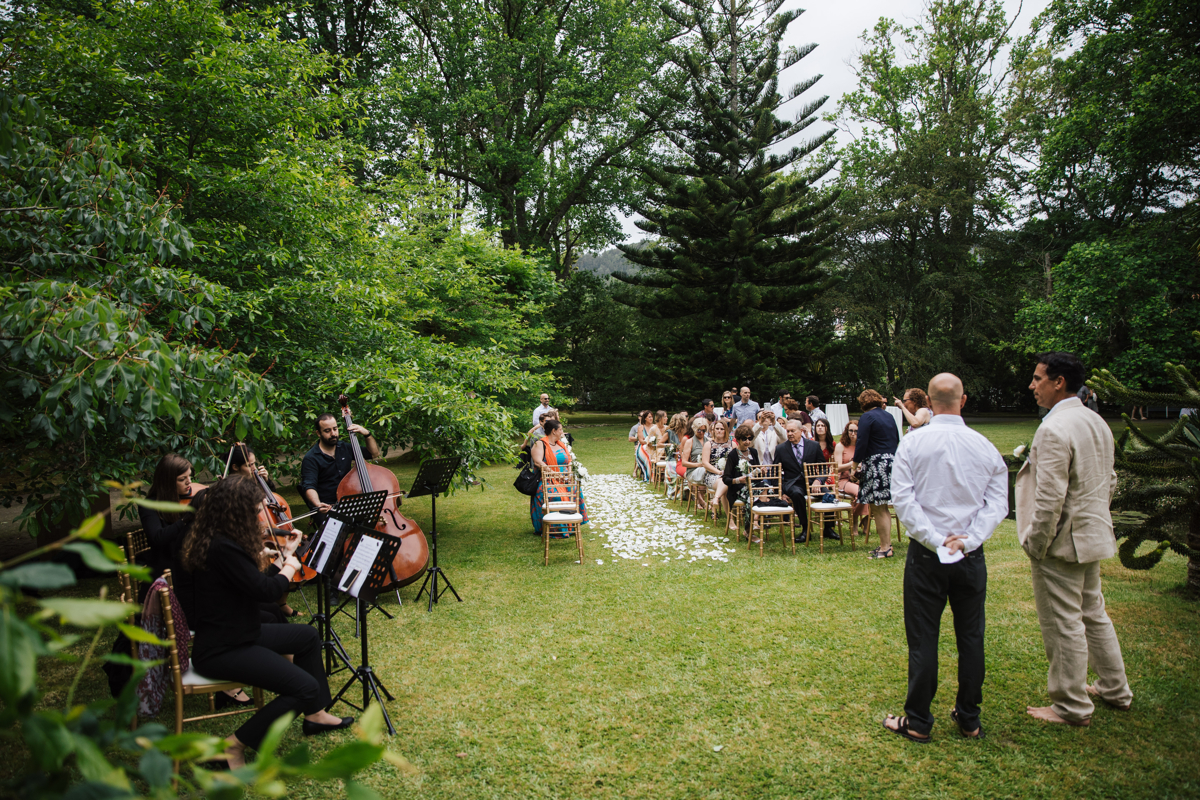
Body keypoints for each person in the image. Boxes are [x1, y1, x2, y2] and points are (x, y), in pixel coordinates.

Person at [181, 476, 353, 769]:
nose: (258, 517)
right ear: (237, 512)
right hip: (223, 648)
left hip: (238, 633)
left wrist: (283, 557)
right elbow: (268, 592)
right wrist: (290, 567)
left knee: (307, 637)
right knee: (304, 687)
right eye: (254, 510)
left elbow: (253, 586)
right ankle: (232, 746)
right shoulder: (223, 548)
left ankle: (315, 715)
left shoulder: (219, 540)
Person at [883, 373, 1008, 743]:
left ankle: (918, 721)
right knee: (971, 636)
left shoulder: (913, 443)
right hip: (969, 554)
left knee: (924, 637)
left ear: (928, 402)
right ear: (963, 401)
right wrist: (968, 540)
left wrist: (938, 541)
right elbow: (997, 503)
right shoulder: (984, 446)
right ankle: (969, 718)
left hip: (927, 555)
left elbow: (903, 500)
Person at [1019, 352, 1132, 726]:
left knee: (1063, 621)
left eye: (1038, 379)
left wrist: (1037, 543)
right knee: (1093, 614)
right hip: (1092, 532)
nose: (1032, 386)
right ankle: (1114, 688)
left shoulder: (1053, 428)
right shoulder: (1096, 422)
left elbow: (1050, 497)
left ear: (1059, 382)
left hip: (1061, 543)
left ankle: (1070, 705)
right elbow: (1109, 480)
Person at [298, 412, 380, 526]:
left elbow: (374, 453)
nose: (333, 434)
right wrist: (317, 504)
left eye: (335, 429)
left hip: (349, 503)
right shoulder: (311, 458)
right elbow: (309, 486)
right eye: (327, 431)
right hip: (328, 506)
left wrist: (367, 434)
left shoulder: (344, 447)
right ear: (318, 433)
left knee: (372, 522)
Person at [139, 453, 207, 582]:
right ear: (167, 482)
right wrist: (185, 519)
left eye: (190, 476)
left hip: (190, 562)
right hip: (167, 569)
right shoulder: (149, 506)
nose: (189, 482)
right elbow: (158, 538)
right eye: (182, 479)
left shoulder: (186, 498)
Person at [853, 389, 901, 559]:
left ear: (863, 402)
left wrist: (854, 466)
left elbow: (861, 442)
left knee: (878, 507)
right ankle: (885, 545)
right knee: (882, 507)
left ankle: (886, 548)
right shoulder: (889, 416)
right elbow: (896, 439)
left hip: (876, 463)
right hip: (891, 462)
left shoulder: (867, 417)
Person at [530, 419, 588, 537]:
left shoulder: (561, 444)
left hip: (565, 479)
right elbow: (538, 462)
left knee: (575, 490)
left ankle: (572, 525)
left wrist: (569, 473)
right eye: (560, 429)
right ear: (554, 431)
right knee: (555, 495)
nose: (562, 432)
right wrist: (554, 474)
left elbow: (569, 460)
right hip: (547, 479)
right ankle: (557, 528)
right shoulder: (540, 444)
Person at [774, 419, 825, 543]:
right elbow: (775, 472)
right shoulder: (781, 448)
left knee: (828, 495)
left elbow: (823, 467)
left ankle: (828, 528)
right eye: (788, 431)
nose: (790, 434)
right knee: (797, 494)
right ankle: (805, 529)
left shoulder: (814, 445)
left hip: (812, 482)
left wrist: (818, 480)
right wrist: (780, 492)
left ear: (801, 431)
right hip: (793, 483)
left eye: (793, 431)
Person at [721, 423, 761, 538]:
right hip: (738, 489)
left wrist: (761, 471)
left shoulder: (753, 452)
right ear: (738, 439)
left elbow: (757, 473)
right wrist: (738, 480)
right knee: (751, 497)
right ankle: (748, 531)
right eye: (744, 439)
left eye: (750, 438)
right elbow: (726, 479)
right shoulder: (733, 455)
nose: (747, 441)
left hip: (754, 485)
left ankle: (756, 520)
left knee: (768, 490)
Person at [833, 421, 868, 533]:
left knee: (869, 491)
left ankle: (866, 521)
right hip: (844, 480)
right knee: (861, 492)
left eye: (856, 431)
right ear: (846, 432)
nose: (853, 434)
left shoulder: (862, 446)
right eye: (851, 431)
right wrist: (853, 464)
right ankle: (855, 521)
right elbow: (837, 468)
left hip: (860, 479)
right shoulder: (840, 446)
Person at [702, 419, 735, 523]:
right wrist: (719, 472)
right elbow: (705, 463)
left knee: (725, 485)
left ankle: (716, 499)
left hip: (729, 475)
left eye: (722, 429)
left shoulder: (732, 445)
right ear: (713, 430)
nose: (719, 431)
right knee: (724, 482)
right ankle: (730, 520)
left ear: (726, 431)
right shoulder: (708, 444)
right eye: (717, 429)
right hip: (712, 475)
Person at [665, 413, 690, 499]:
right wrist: (672, 445)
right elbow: (659, 444)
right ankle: (677, 492)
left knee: (687, 468)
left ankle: (686, 489)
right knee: (672, 468)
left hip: (684, 458)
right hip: (672, 458)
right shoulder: (669, 432)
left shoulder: (686, 433)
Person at [632, 410, 654, 481]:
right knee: (647, 453)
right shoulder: (641, 427)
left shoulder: (655, 427)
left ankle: (655, 475)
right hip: (642, 446)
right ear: (645, 418)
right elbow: (641, 441)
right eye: (649, 417)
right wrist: (648, 442)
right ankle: (649, 476)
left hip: (653, 447)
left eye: (652, 417)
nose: (651, 418)